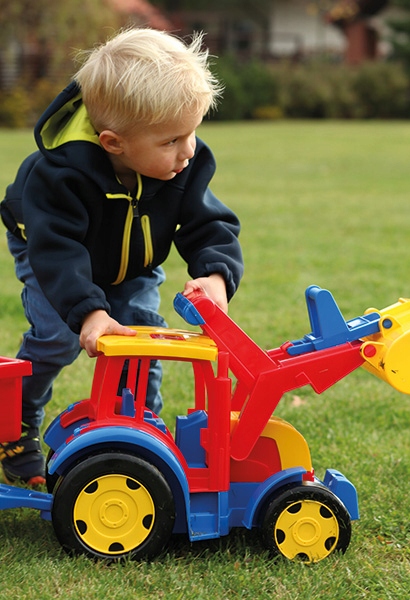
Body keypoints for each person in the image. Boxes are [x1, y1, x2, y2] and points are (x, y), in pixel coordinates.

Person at [0, 28, 244, 486]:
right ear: (114, 143)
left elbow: (208, 223)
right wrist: (89, 312)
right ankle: (13, 427)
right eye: (171, 140)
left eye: (192, 132)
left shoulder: (184, 162)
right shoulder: (59, 175)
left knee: (141, 336)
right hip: (52, 253)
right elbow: (57, 249)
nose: (188, 150)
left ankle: (139, 434)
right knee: (57, 338)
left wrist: (215, 273)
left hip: (132, 261)